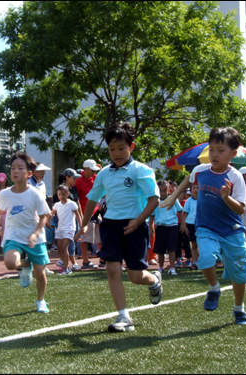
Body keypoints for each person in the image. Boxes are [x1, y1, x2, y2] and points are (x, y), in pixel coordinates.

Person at [76, 122, 163, 332]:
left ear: (131, 147)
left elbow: (154, 199)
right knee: (112, 269)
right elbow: (92, 200)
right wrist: (84, 224)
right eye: (112, 149)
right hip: (111, 226)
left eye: (121, 148)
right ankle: (124, 316)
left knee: (135, 276)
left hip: (135, 226)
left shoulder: (141, 170)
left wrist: (139, 221)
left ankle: (154, 280)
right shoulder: (104, 174)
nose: (117, 153)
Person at [161, 127, 246, 326]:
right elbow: (187, 181)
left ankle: (239, 309)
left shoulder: (235, 177)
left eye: (221, 150)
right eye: (211, 149)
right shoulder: (200, 170)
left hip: (232, 231)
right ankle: (214, 287)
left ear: (233, 154)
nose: (214, 154)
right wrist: (172, 198)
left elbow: (240, 210)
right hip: (206, 227)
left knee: (239, 272)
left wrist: (226, 197)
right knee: (206, 257)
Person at [0, 151, 52, 313]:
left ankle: (41, 300)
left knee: (40, 274)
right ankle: (25, 266)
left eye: (20, 168)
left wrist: (35, 234)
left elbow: (43, 217)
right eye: (13, 168)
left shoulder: (35, 194)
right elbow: (0, 207)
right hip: (14, 234)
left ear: (29, 174)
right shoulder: (5, 193)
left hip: (35, 237)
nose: (15, 171)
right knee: (10, 262)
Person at [152, 180, 185, 275]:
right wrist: (151, 226)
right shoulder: (156, 201)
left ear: (168, 189)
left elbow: (180, 211)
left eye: (164, 190)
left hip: (172, 226)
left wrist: (182, 224)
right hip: (160, 227)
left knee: (172, 248)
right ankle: (161, 268)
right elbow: (152, 215)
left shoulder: (173, 199)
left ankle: (172, 268)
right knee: (160, 249)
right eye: (160, 191)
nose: (162, 193)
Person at [53, 168, 83, 271]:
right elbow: (56, 209)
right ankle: (67, 263)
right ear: (67, 177)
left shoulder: (73, 189)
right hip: (63, 224)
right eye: (73, 177)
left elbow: (77, 204)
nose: (75, 179)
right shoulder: (61, 190)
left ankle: (69, 263)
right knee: (64, 245)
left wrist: (81, 219)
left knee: (71, 243)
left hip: (72, 223)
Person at [74, 159, 102, 269]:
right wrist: (81, 216)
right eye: (92, 170)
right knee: (85, 238)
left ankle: (103, 259)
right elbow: (77, 199)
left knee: (101, 236)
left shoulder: (95, 178)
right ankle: (85, 261)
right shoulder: (79, 182)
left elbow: (102, 177)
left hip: (96, 212)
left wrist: (99, 169)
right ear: (86, 169)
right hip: (86, 213)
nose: (94, 173)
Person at [28, 162, 54, 275]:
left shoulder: (42, 184)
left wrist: (47, 218)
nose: (44, 173)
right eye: (41, 171)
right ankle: (26, 268)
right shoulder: (27, 183)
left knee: (41, 242)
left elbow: (43, 202)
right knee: (28, 243)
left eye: (44, 171)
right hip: (29, 218)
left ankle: (42, 266)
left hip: (40, 219)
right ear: (34, 172)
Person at [183, 184, 199, 270]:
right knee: (193, 244)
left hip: (201, 224)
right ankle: (195, 262)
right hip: (191, 224)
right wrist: (185, 226)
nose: (196, 190)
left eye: (197, 188)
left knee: (202, 244)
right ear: (191, 190)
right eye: (194, 188)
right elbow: (186, 214)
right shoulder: (188, 201)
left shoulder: (203, 200)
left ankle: (205, 262)